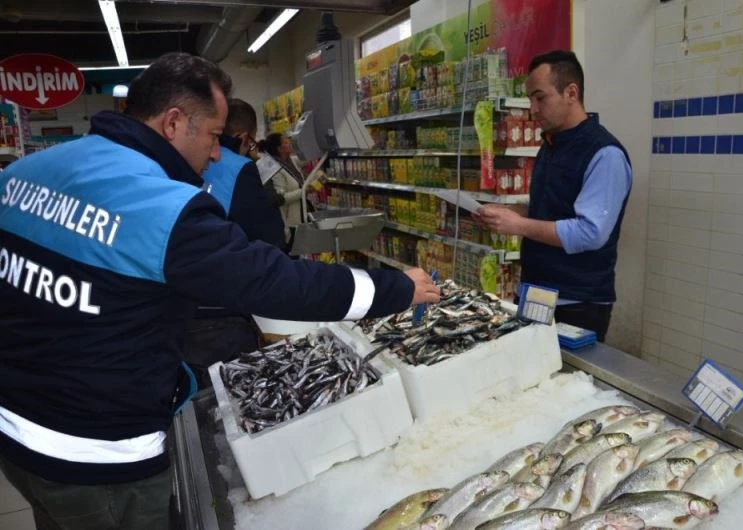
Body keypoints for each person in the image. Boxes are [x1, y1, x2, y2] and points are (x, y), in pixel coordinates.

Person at [0, 52, 439, 530]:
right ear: (172, 123)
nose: (216, 154)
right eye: (213, 135)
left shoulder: (24, 174)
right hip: (95, 453)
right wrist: (394, 287)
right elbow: (273, 281)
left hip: (15, 432)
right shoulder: (160, 206)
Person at [475, 50, 632, 342]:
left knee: (571, 383)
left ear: (571, 92)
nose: (532, 108)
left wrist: (518, 226)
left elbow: (590, 232)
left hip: (577, 302)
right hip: (538, 292)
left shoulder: (604, 154)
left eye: (540, 97)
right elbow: (551, 208)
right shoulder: (551, 144)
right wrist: (510, 213)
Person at [186, 99, 287, 384]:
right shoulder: (239, 168)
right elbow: (270, 239)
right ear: (244, 136)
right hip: (222, 314)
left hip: (183, 306)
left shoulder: (182, 160)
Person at [202, 98, 285, 247]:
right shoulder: (242, 167)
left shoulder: (198, 156)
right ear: (244, 138)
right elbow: (268, 235)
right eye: (251, 142)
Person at [256, 132, 307, 248]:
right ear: (280, 149)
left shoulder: (291, 161)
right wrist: (304, 191)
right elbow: (279, 198)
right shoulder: (274, 169)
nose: (289, 143)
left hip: (302, 218)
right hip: (290, 223)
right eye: (286, 142)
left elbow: (307, 158)